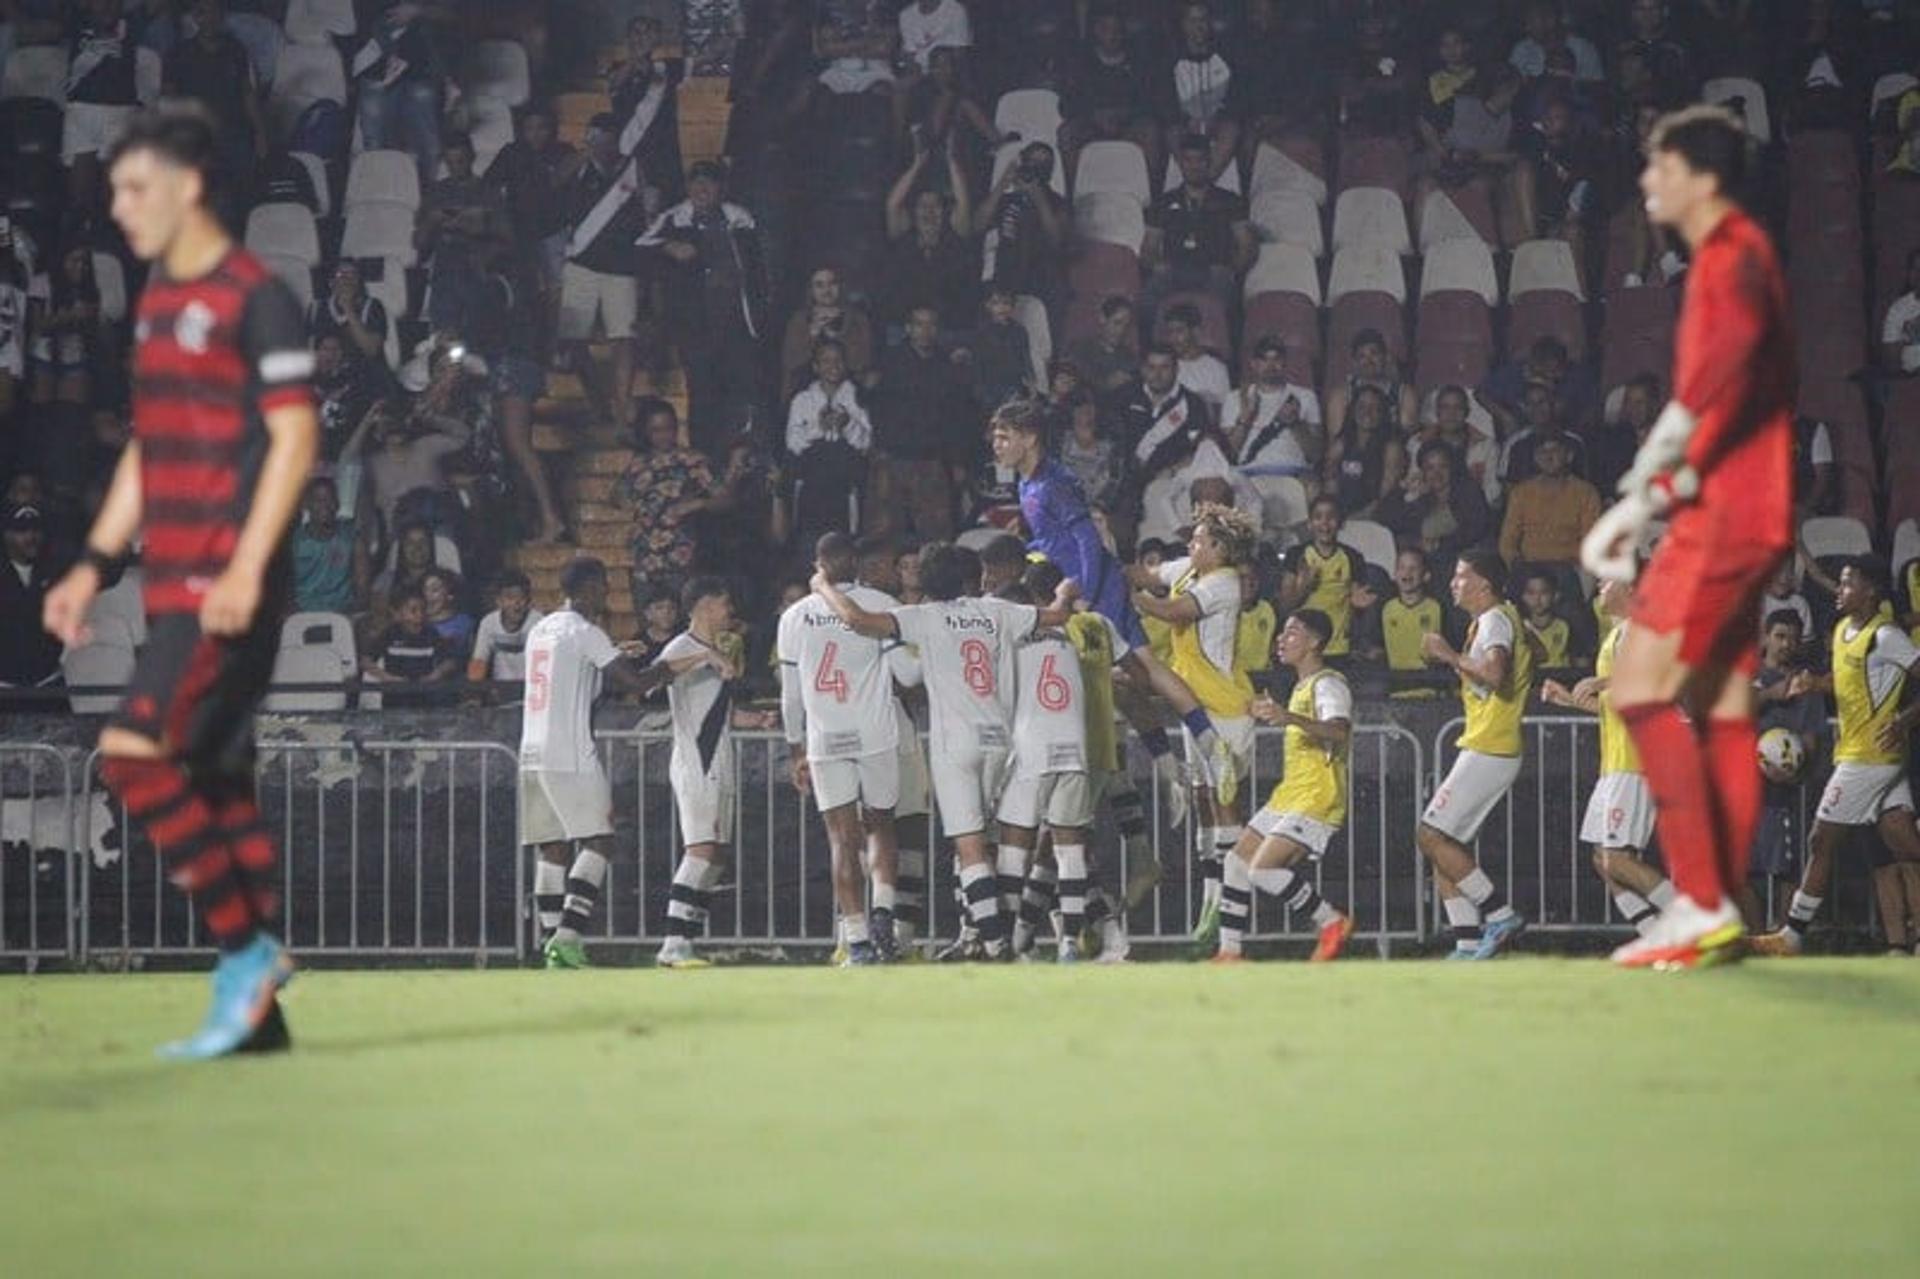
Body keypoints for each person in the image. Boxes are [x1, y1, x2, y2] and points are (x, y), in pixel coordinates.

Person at [41, 107, 316, 1057]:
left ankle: (247, 951)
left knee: (131, 752)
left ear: (187, 186)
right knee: (218, 776)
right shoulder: (158, 300)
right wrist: (90, 563)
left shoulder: (255, 295)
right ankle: (261, 1015)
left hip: (226, 580)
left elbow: (295, 435)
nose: (117, 208)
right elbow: (149, 448)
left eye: (133, 187)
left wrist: (246, 564)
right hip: (169, 580)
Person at [1580, 106, 1796, 969]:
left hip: (1725, 509)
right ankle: (1724, 913)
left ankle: (1702, 904)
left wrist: (1640, 500)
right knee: (1724, 710)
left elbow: (1718, 384)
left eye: (1658, 167)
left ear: (1699, 177)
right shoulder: (1741, 251)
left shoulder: (1728, 256)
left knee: (1637, 685)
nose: (1646, 182)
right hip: (1750, 505)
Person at [809, 543, 1077, 958]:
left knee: (968, 846)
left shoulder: (923, 617)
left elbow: (855, 618)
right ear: (970, 578)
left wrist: (823, 586)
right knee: (992, 842)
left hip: (956, 742)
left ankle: (993, 942)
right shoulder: (997, 610)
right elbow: (1058, 615)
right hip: (999, 740)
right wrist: (1066, 591)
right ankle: (999, 933)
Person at [991, 399, 1238, 807]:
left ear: (1029, 438)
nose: (996, 446)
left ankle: (1211, 747)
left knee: (1141, 672)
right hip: (1078, 588)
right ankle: (1170, 766)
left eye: (1004, 437)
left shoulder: (1054, 482)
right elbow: (1055, 540)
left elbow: (1087, 540)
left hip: (1094, 587)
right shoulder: (1027, 482)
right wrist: (1033, 552)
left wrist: (1085, 591)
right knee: (1129, 680)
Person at [520, 558, 713, 969]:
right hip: (569, 752)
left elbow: (570, 672)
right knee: (600, 840)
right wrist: (682, 662)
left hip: (531, 751)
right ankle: (568, 937)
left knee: (552, 849)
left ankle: (551, 945)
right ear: (588, 588)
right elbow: (635, 684)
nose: (607, 594)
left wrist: (613, 653)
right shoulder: (585, 632)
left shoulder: (542, 628)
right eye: (604, 585)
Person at [1751, 561, 1920, 956]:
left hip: (1870, 758)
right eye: (1840, 583)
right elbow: (1845, 683)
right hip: (1864, 754)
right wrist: (1815, 682)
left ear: (1871, 592)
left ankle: (1791, 935)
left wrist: (1907, 719)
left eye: (1848, 584)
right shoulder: (1843, 631)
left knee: (1821, 838)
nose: (1838, 590)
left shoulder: (1887, 636)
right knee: (1906, 846)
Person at [778, 533, 917, 964]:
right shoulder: (882, 604)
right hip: (875, 733)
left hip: (826, 737)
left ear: (819, 564)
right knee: (882, 827)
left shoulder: (795, 615)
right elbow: (908, 675)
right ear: (855, 563)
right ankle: (883, 915)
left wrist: (794, 745)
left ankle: (856, 941)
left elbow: (790, 693)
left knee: (841, 839)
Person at [1129, 505, 1261, 948]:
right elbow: (1149, 574)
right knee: (1206, 806)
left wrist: (1128, 599)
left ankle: (1231, 925)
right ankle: (1210, 910)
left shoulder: (1225, 583)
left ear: (1219, 549)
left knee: (1226, 812)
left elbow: (1171, 611)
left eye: (1200, 540)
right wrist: (1104, 562)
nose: (1191, 545)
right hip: (1195, 707)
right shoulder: (1190, 568)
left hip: (1224, 708)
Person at [1216, 610, 1357, 963]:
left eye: (1292, 633)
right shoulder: (1301, 686)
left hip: (1317, 797)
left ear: (1315, 642)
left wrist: (1288, 717)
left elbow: (1339, 730)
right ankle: (1229, 952)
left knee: (1261, 870)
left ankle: (1331, 921)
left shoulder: (1329, 684)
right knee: (1236, 862)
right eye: (1282, 632)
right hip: (1291, 794)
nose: (1281, 639)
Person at [1416, 549, 1535, 959]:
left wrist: (1447, 654)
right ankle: (1468, 943)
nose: (1453, 583)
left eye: (1461, 575)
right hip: (1491, 743)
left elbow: (1495, 673)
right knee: (1442, 845)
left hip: (1491, 744)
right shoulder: (1502, 618)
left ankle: (1499, 914)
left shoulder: (1494, 621)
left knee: (1429, 835)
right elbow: (1533, 652)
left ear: (1484, 584)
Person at [1542, 578, 1677, 937]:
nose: (1600, 585)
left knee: (1617, 858)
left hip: (1635, 762)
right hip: (1615, 761)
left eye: (1608, 580)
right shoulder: (1617, 634)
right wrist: (1569, 700)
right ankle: (1655, 935)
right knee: (1604, 859)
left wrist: (1602, 682)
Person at [993, 579, 1095, 963]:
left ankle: (1003, 943)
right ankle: (1068, 943)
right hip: (1074, 748)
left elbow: (1002, 701)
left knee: (1013, 853)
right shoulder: (1064, 638)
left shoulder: (1010, 644)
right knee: (1070, 853)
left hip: (1031, 751)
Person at [638, 161, 771, 449]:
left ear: (721, 188)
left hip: (738, 323)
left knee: (742, 394)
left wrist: (758, 315)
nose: (702, 189)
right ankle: (705, 463)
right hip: (697, 326)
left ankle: (743, 466)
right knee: (703, 395)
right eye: (696, 182)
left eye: (709, 183)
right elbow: (639, 247)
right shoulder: (673, 219)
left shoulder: (740, 219)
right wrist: (668, 246)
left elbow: (759, 271)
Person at [1499, 434, 1602, 569]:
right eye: (1542, 452)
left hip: (1571, 567)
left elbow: (1591, 540)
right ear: (1535, 458)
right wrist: (1515, 561)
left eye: (1555, 450)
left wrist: (1576, 564)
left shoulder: (1586, 493)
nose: (1548, 457)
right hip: (1531, 566)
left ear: (1569, 456)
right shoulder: (1521, 492)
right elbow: (1507, 540)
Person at [1298, 495, 1374, 659]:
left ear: (1341, 523)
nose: (1325, 523)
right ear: (1309, 524)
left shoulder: (1352, 557)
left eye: (1331, 517)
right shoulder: (1297, 555)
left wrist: (1358, 607)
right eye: (1318, 517)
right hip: (1304, 648)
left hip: (1340, 649)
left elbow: (1359, 606)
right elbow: (1284, 606)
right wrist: (1305, 587)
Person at [1, 503, 65, 688]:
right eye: (21, 530)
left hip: (48, 683)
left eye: (36, 529)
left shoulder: (55, 571)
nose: (31, 536)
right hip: (5, 688)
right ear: (6, 535)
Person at [290, 476, 368, 616]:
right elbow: (284, 591)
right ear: (307, 505)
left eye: (329, 499)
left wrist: (346, 612)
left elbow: (363, 591)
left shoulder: (352, 539)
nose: (324, 505)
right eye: (317, 500)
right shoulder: (294, 542)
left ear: (337, 504)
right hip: (302, 614)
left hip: (343, 614)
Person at [1380, 547, 1447, 698]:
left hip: (1429, 692)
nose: (1406, 573)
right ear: (1395, 574)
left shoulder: (1438, 608)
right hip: (1396, 691)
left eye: (1413, 568)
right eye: (1402, 568)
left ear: (1426, 575)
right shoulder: (1386, 608)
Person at [468, 570, 542, 684]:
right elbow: (479, 661)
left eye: (521, 597)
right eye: (510, 598)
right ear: (499, 601)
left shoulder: (538, 622)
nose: (516, 603)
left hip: (531, 687)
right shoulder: (488, 623)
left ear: (528, 600)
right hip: (499, 688)